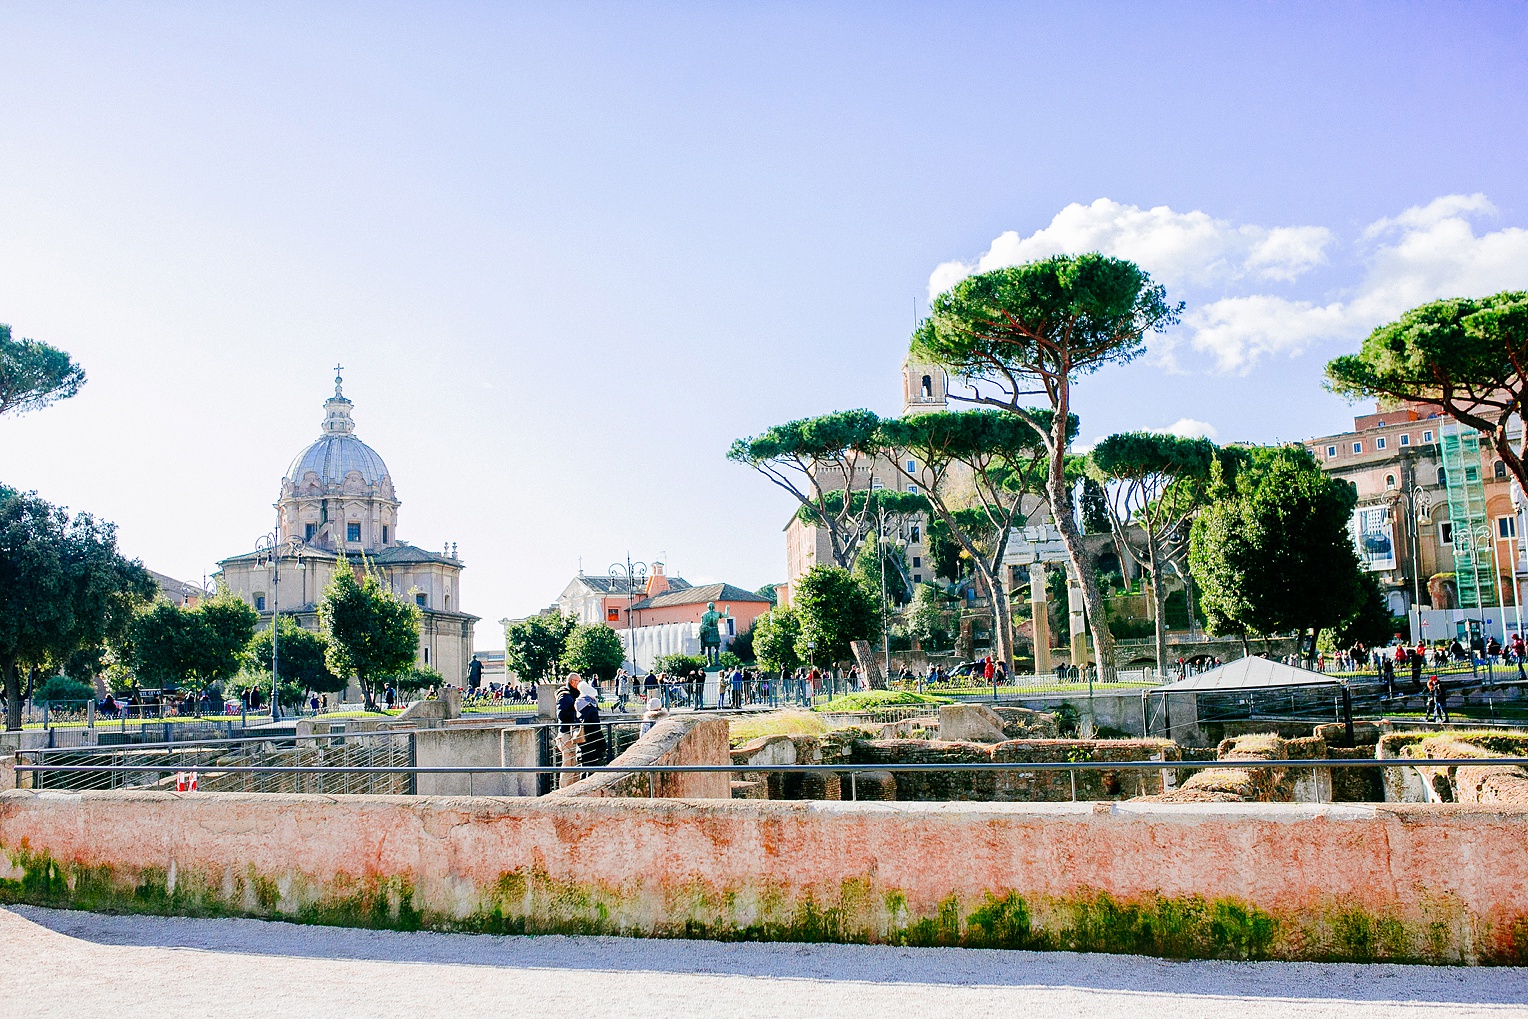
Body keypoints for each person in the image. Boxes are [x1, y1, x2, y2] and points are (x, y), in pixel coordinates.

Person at [555, 673, 583, 788]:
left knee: (573, 763)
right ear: (572, 682)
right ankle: (565, 789)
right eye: (578, 681)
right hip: (566, 734)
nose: (580, 683)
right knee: (568, 763)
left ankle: (572, 788)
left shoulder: (571, 695)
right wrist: (575, 716)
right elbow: (561, 715)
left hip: (570, 733)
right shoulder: (564, 696)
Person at [576, 679, 605, 770]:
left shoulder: (578, 705)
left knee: (583, 767)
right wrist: (603, 744)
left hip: (581, 740)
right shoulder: (591, 709)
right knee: (592, 767)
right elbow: (596, 728)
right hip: (592, 742)